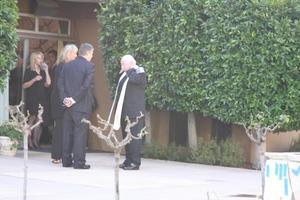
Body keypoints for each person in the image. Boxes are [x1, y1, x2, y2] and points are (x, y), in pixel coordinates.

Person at [58, 43, 94, 169]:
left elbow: (60, 84)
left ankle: (66, 161)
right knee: (80, 134)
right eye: (92, 54)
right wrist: (74, 99)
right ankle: (79, 162)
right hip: (81, 106)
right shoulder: (89, 66)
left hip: (67, 105)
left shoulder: (67, 65)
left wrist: (65, 99)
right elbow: (85, 86)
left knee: (67, 133)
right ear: (88, 53)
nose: (92, 56)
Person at [113, 55, 147, 170]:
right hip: (125, 111)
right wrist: (124, 71)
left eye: (123, 64)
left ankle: (135, 162)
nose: (121, 66)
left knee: (135, 138)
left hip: (135, 113)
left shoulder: (139, 71)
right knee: (127, 138)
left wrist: (129, 70)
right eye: (121, 64)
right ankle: (128, 160)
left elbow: (135, 80)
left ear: (131, 63)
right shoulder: (124, 74)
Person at [50, 44, 78, 164]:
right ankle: (56, 155)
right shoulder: (61, 67)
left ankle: (61, 154)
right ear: (69, 54)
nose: (76, 56)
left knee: (64, 129)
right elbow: (60, 86)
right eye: (75, 53)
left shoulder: (63, 66)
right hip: (59, 101)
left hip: (63, 101)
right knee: (60, 129)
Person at [23, 51, 51, 149]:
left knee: (39, 121)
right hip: (32, 99)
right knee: (32, 119)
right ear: (34, 59)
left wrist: (47, 71)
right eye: (39, 58)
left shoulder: (43, 71)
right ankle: (28, 141)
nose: (41, 60)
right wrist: (34, 79)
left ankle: (36, 142)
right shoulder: (29, 71)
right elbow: (24, 85)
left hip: (42, 99)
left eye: (42, 58)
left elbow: (48, 84)